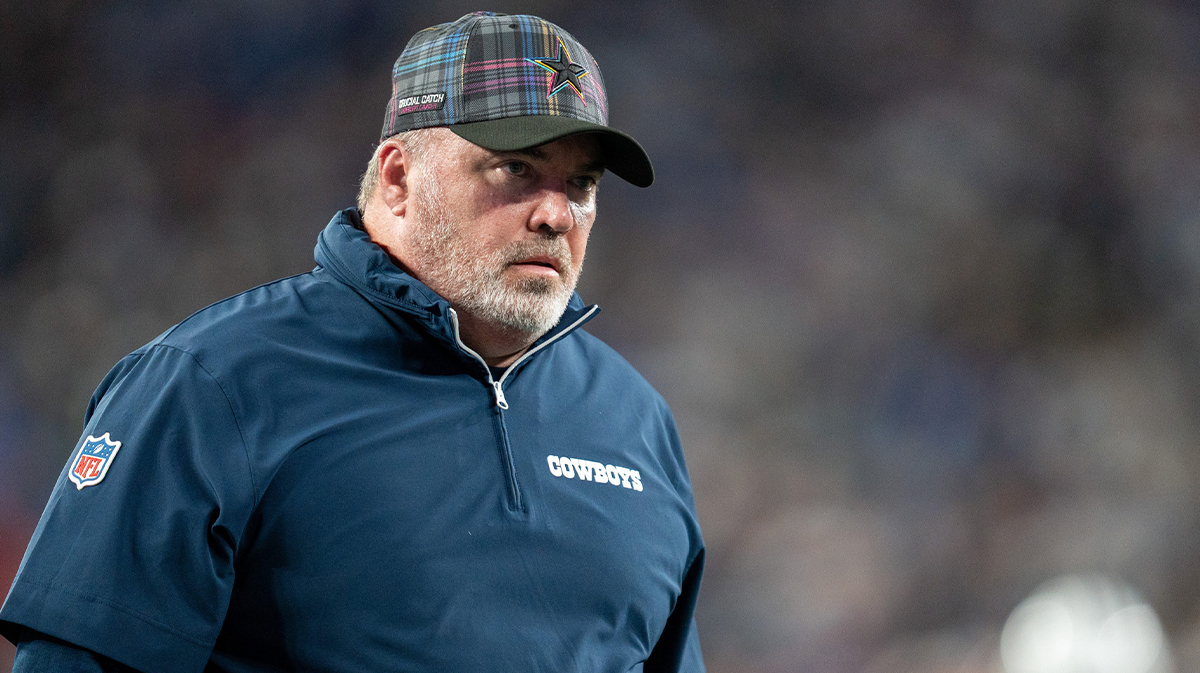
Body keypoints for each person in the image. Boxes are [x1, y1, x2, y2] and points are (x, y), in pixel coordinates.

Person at [0, 11, 705, 673]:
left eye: (580, 183)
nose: (557, 213)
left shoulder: (635, 422)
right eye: (516, 168)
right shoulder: (211, 385)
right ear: (398, 179)